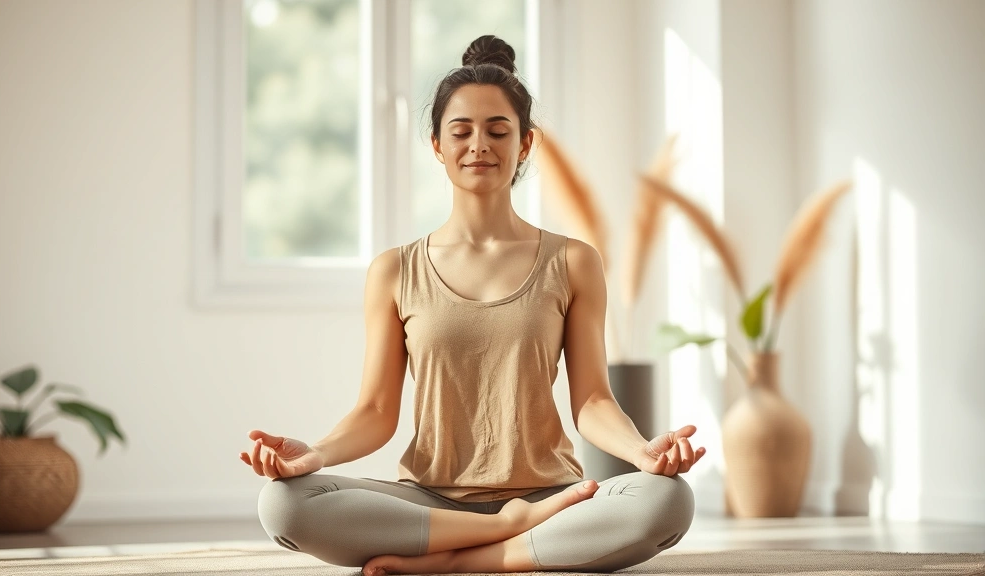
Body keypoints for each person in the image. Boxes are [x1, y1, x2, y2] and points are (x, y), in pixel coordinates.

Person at [239, 35, 705, 576]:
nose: (478, 145)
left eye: (497, 131)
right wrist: (315, 455)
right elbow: (375, 412)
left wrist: (643, 451)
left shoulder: (574, 261)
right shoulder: (394, 270)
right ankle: (507, 534)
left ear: (525, 144)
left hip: (550, 496)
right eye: (460, 131)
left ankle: (458, 562)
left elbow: (593, 400)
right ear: (437, 145)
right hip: (429, 502)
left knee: (667, 499)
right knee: (284, 504)